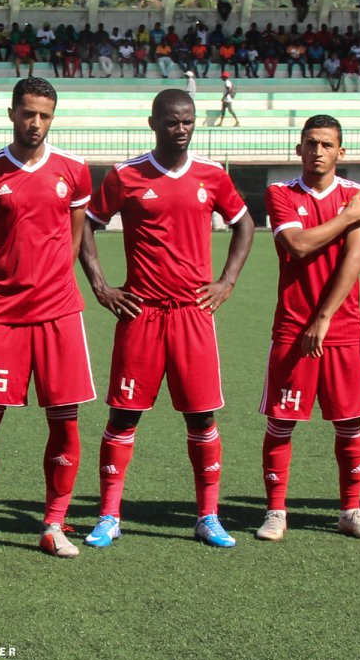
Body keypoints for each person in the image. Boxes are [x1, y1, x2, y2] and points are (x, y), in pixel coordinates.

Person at [78, 89, 253, 549]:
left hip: (193, 315)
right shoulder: (125, 175)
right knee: (124, 415)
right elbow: (86, 226)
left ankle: (208, 516)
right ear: (153, 122)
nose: (182, 130)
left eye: (189, 122)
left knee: (201, 417)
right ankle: (109, 516)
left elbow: (244, 223)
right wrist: (101, 286)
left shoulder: (212, 176)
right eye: (173, 122)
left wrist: (226, 281)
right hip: (142, 314)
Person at [0, 77, 95, 560]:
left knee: (66, 419)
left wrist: (53, 282)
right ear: (12, 112)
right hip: (5, 314)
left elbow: (74, 239)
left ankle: (54, 524)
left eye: (45, 116)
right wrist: (7, 286)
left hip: (60, 314)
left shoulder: (74, 171)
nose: (35, 123)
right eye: (28, 113)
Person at [254, 116, 360, 541]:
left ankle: (351, 510)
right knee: (281, 421)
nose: (318, 151)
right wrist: (348, 218)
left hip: (341, 329)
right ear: (298, 148)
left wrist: (324, 317)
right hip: (293, 327)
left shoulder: (358, 194)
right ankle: (276, 512)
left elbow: (355, 260)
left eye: (327, 144)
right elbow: (298, 244)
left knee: (349, 424)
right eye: (310, 143)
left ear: (340, 152)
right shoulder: (281, 193)